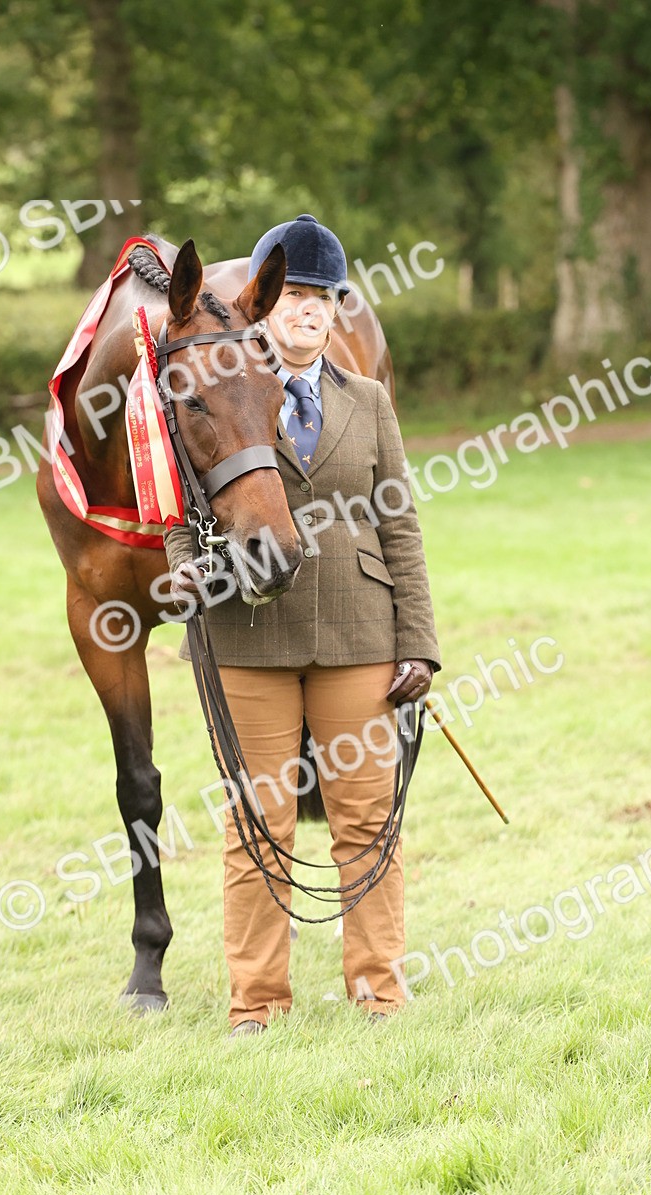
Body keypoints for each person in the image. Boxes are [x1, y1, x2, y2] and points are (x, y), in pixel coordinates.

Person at [164, 214, 441, 1036]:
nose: (311, 311)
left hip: (360, 631)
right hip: (250, 640)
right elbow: (182, 505)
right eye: (296, 297)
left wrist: (420, 642)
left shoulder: (371, 402)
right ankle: (257, 1002)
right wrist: (182, 564)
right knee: (258, 825)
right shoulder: (220, 385)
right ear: (263, 304)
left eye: (326, 299)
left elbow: (402, 525)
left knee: (367, 819)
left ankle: (379, 990)